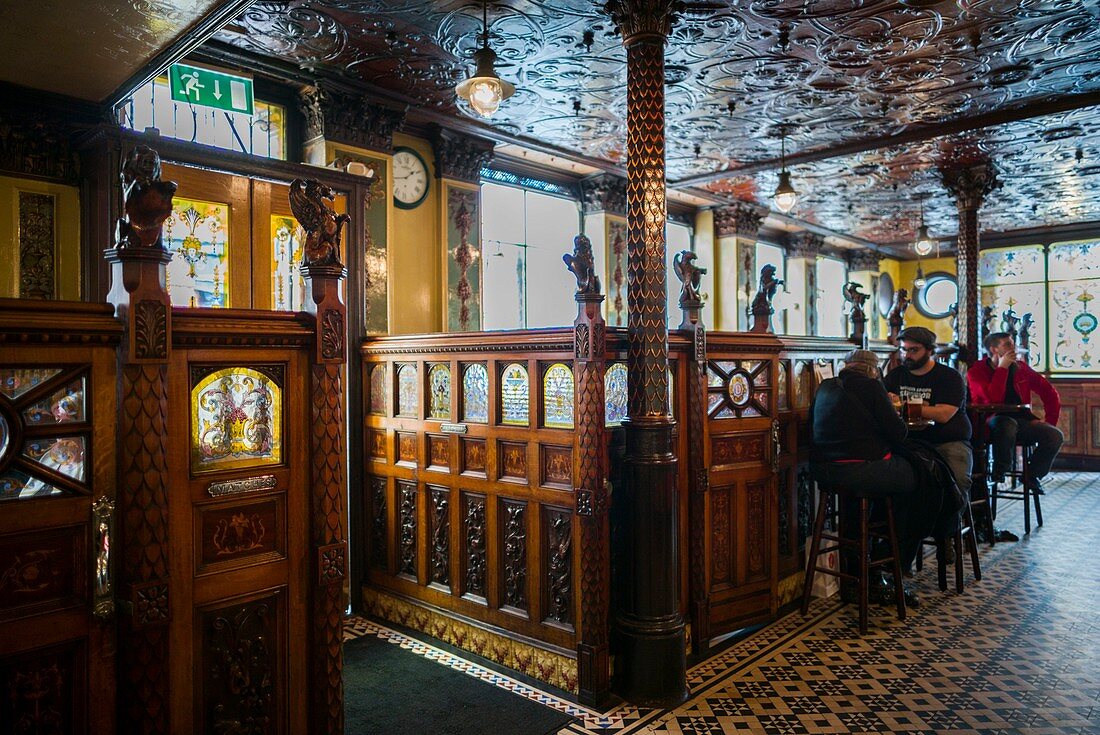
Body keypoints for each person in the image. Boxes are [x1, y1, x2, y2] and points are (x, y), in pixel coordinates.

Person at [809, 349, 943, 601]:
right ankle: (889, 562)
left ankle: (859, 567)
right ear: (873, 370)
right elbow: (899, 433)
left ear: (846, 366)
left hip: (826, 474)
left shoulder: (825, 387)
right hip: (861, 472)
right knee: (922, 477)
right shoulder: (872, 387)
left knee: (885, 487)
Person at [884, 326, 973, 505]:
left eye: (913, 350)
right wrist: (920, 406)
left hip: (947, 440)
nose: (907, 355)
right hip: (908, 441)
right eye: (903, 349)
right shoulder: (895, 376)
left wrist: (902, 405)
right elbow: (883, 406)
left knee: (958, 481)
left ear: (930, 350)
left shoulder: (949, 377)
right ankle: (906, 529)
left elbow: (943, 415)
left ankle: (949, 529)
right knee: (888, 479)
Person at [966, 331, 1063, 493]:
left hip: (1022, 421)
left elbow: (1049, 392)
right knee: (1007, 424)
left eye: (1013, 344)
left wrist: (1048, 422)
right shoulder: (976, 372)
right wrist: (1002, 369)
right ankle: (1000, 471)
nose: (1014, 348)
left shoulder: (1021, 369)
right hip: (991, 422)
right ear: (994, 349)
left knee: (1054, 435)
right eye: (1008, 345)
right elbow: (993, 402)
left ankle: (1031, 475)